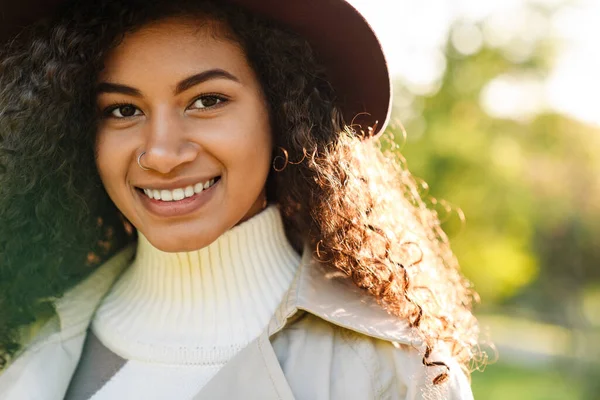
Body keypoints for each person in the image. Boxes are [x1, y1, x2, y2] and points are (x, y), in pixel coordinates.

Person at [0, 0, 481, 398]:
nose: (162, 154)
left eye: (207, 100)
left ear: (283, 111)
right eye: (123, 110)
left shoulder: (397, 373)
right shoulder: (24, 330)